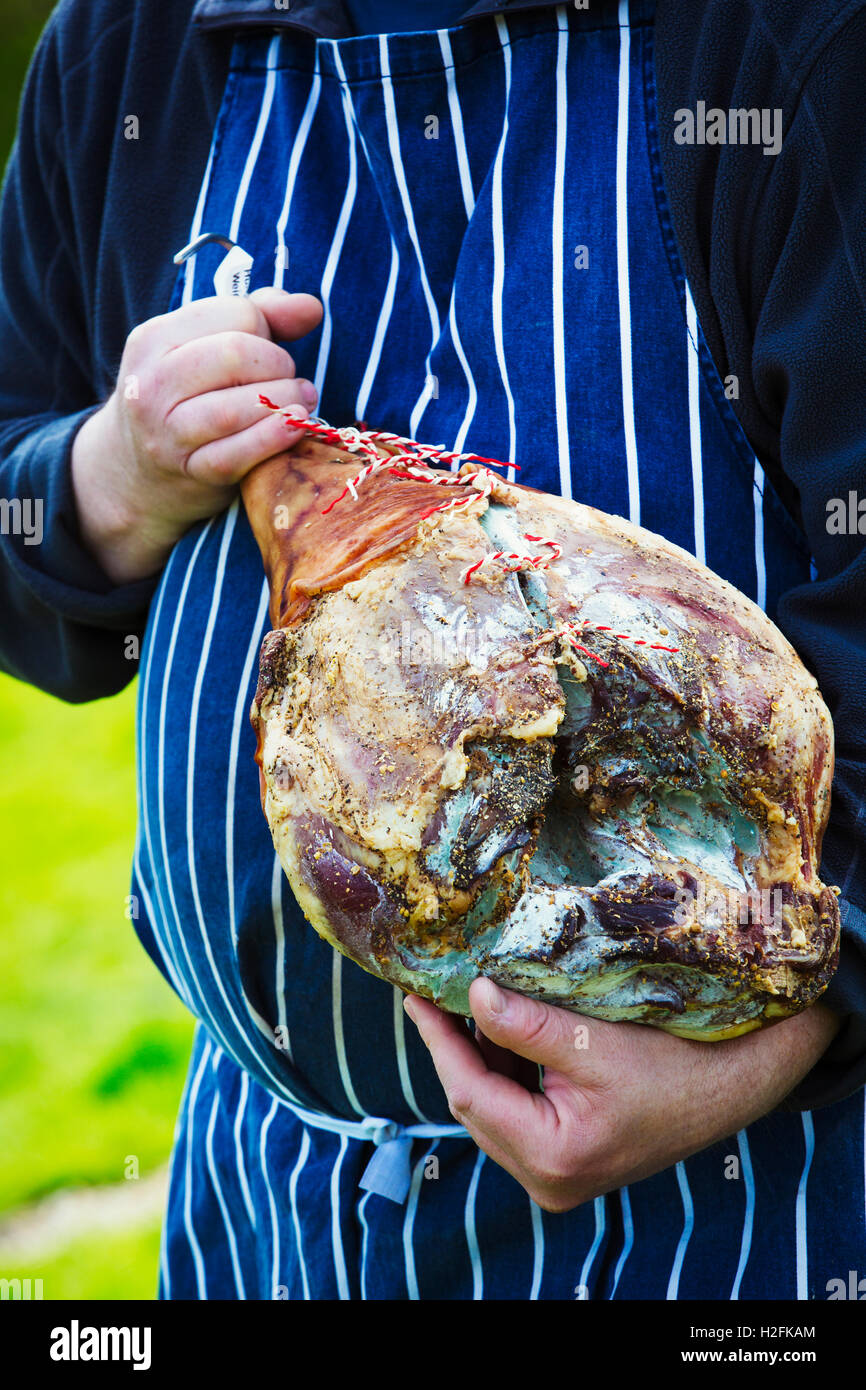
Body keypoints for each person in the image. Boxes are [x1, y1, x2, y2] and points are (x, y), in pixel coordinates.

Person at [1, 0, 865, 1300]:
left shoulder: (788, 42)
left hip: (732, 1223)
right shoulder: (128, 42)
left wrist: (794, 1023)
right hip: (264, 1208)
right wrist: (106, 477)